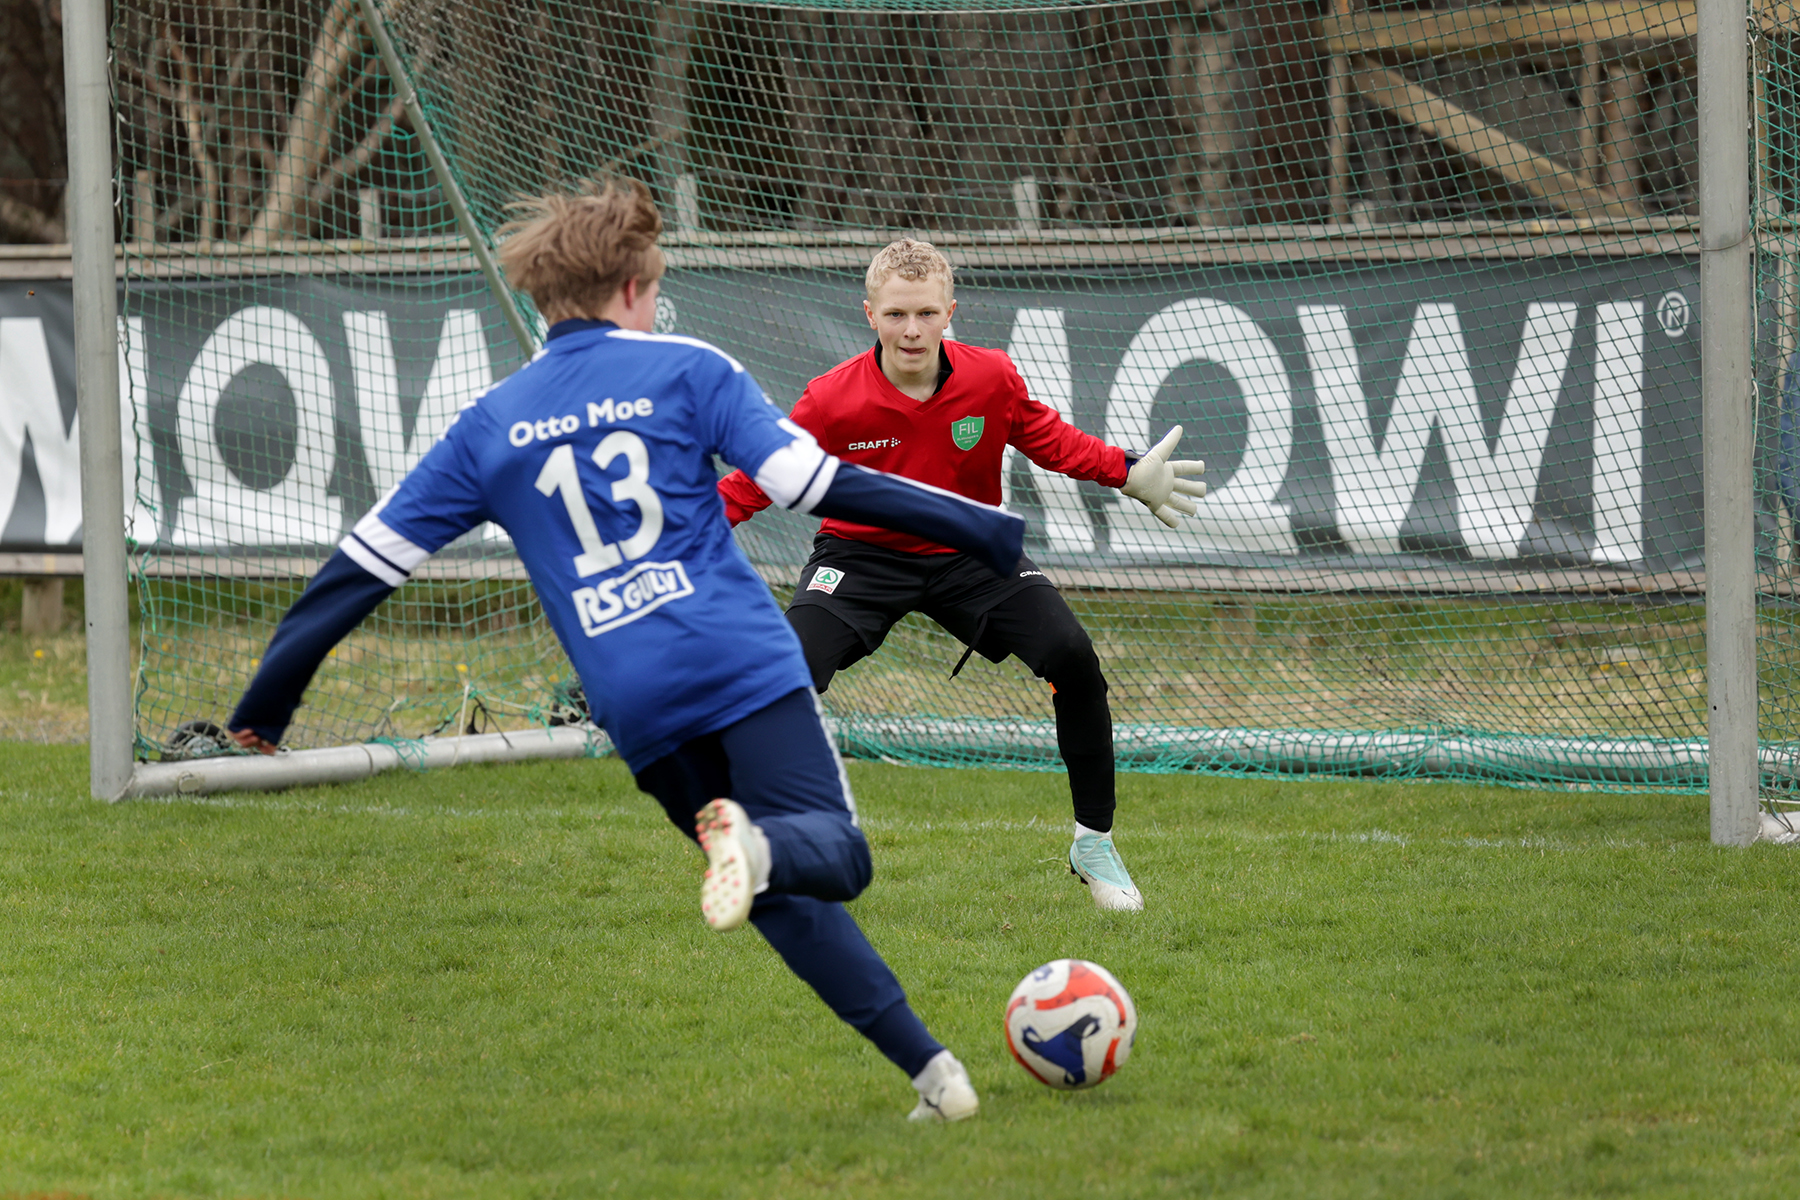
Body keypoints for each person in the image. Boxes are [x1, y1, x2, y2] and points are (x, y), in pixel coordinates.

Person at [225, 181, 1030, 1122]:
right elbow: (819, 486)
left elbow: (358, 573)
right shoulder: (688, 369)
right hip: (740, 663)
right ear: (632, 289)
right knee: (836, 858)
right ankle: (782, 873)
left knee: (759, 886)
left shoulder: (492, 422)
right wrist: (984, 529)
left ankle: (937, 1079)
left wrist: (260, 718)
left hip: (632, 699)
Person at [718, 239, 1206, 913]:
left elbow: (1050, 439)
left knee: (1072, 656)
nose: (911, 330)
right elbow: (759, 477)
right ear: (870, 315)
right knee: (786, 672)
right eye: (895, 315)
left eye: (925, 313)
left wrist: (1126, 470)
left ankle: (1094, 843)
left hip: (968, 550)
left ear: (951, 311)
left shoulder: (992, 377)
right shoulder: (831, 398)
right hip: (859, 557)